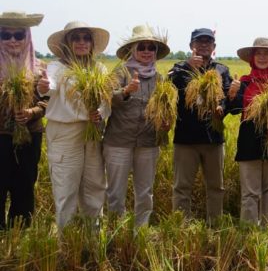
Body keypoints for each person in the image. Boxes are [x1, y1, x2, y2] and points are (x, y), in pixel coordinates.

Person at [37, 21, 110, 230]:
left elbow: (106, 100)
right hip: (65, 134)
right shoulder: (57, 67)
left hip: (93, 133)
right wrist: (44, 86)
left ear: (91, 42)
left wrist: (100, 113)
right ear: (67, 43)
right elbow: (49, 86)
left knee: (95, 187)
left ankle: (93, 239)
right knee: (66, 189)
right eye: (75, 38)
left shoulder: (99, 68)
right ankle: (66, 244)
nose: (81, 42)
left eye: (85, 37)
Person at [102, 25, 170, 228]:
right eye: (142, 47)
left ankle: (140, 232)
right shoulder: (121, 72)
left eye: (151, 48)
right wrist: (126, 91)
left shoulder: (160, 79)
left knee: (145, 192)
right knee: (115, 192)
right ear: (133, 49)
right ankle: (116, 230)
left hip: (148, 142)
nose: (147, 51)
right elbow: (105, 97)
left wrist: (165, 122)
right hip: (119, 141)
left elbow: (164, 109)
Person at [228, 37, 268, 226]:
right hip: (249, 139)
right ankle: (249, 230)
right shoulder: (244, 82)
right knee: (250, 191)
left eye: (267, 54)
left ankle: (266, 228)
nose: (262, 57)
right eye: (259, 53)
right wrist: (232, 94)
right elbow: (233, 110)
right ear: (252, 57)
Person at [168, 28, 231, 225]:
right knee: (182, 186)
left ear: (214, 47)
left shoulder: (221, 70)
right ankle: (181, 225)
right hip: (186, 139)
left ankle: (215, 224)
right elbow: (168, 86)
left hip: (213, 138)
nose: (203, 45)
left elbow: (229, 96)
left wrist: (222, 107)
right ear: (191, 46)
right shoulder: (180, 68)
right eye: (199, 41)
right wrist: (188, 66)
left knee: (215, 186)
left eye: (208, 42)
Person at [0, 11, 46, 229]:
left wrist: (31, 112)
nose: (12, 40)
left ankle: (19, 235)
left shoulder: (40, 68)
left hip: (30, 136)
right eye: (5, 35)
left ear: (26, 36)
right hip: (0, 137)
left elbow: (47, 103)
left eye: (18, 35)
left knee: (25, 186)